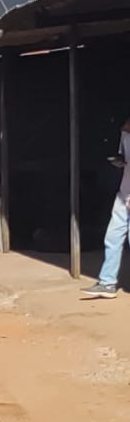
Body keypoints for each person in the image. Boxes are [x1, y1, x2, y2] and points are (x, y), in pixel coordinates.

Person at [83, 117, 130, 298]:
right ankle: (107, 283)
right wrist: (119, 161)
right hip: (123, 193)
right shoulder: (124, 133)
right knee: (113, 236)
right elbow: (123, 157)